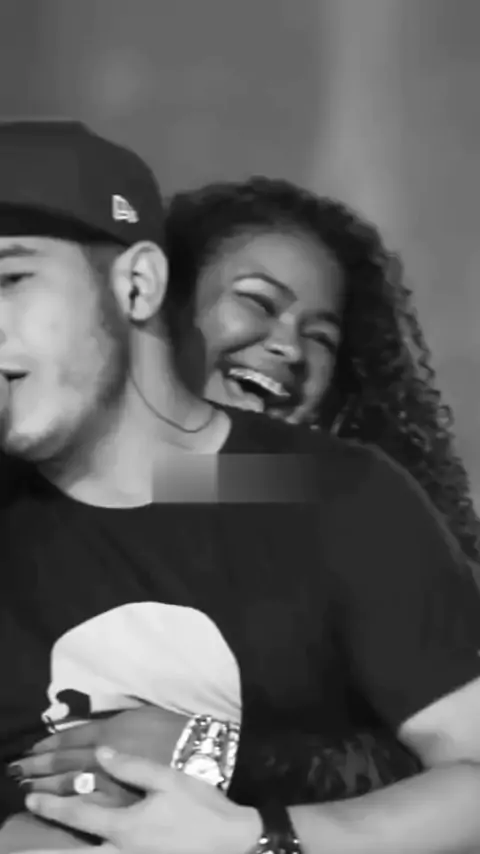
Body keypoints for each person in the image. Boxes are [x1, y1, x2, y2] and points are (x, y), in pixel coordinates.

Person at [2, 122, 480, 854]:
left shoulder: (324, 491)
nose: (287, 345)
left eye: (11, 278)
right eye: (258, 302)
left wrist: (254, 818)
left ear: (141, 285)